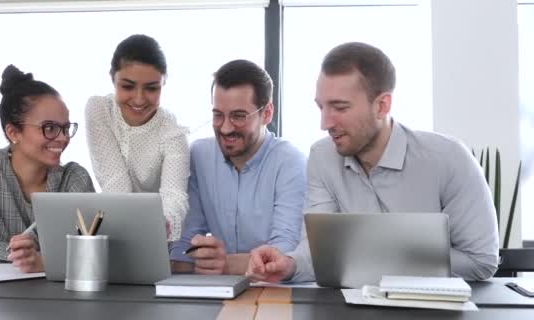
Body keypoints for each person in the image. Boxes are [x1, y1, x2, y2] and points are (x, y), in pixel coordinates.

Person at [246, 42, 499, 283]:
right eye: (321, 107)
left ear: (382, 105)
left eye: (340, 107)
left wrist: (385, 257)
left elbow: (482, 260)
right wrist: (289, 264)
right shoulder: (322, 158)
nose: (325, 123)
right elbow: (317, 252)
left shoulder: (449, 159)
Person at [169, 59, 307, 275]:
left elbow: (283, 253)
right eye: (218, 115)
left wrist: (225, 264)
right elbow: (183, 246)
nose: (225, 128)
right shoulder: (199, 155)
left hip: (272, 292)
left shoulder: (291, 162)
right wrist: (191, 258)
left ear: (267, 113)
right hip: (216, 290)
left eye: (238, 116)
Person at [0, 65, 95, 272]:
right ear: (13, 132)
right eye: (49, 128)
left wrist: (42, 262)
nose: (63, 138)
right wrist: (40, 258)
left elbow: (89, 253)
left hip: (62, 298)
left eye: (66, 128)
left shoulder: (75, 178)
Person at [85, 34, 189, 241]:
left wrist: (165, 219)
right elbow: (116, 184)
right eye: (127, 86)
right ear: (112, 78)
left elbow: (174, 194)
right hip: (118, 226)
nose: (139, 99)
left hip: (157, 235)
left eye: (151, 88)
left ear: (164, 82)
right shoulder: (99, 110)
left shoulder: (173, 132)